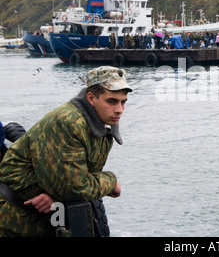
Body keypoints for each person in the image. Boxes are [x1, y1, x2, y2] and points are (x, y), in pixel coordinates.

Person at [0, 66, 133, 237]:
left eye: (123, 102)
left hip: (46, 216)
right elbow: (73, 188)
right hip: (15, 219)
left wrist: (55, 195)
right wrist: (110, 181)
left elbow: (78, 179)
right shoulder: (70, 123)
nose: (119, 110)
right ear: (91, 98)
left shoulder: (102, 123)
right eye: (112, 101)